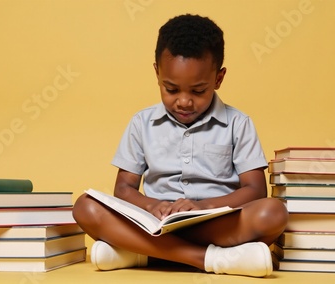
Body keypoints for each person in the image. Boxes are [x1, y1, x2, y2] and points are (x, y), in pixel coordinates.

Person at [73, 14, 288, 278]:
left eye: (198, 91)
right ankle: (208, 258)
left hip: (214, 223)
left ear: (218, 79)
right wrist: (152, 206)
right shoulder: (142, 123)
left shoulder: (238, 123)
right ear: (157, 73)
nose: (184, 102)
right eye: (171, 89)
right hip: (155, 221)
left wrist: (203, 207)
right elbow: (124, 188)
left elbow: (255, 190)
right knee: (85, 206)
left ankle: (142, 252)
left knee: (273, 213)